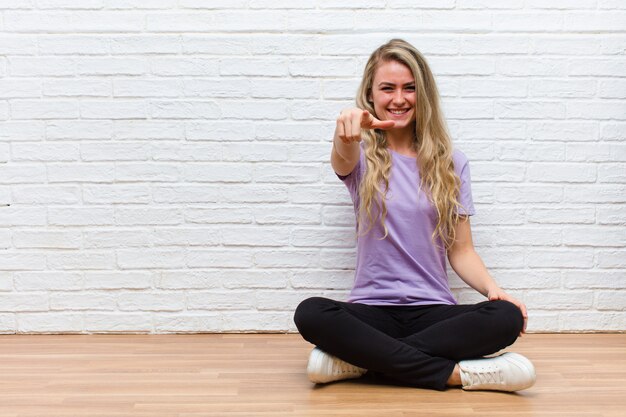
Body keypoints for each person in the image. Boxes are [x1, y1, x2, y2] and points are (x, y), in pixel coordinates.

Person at [293, 39, 536, 392]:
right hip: (372, 311)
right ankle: (457, 374)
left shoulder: (452, 163)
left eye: (410, 88)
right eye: (387, 88)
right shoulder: (360, 155)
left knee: (506, 317)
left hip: (433, 311)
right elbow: (341, 159)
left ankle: (358, 362)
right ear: (371, 94)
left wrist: (494, 290)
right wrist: (346, 134)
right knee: (310, 312)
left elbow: (461, 250)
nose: (399, 98)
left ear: (424, 94)